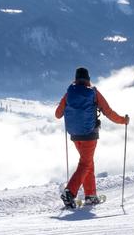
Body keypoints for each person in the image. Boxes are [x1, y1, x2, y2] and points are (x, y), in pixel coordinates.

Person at [55, 67, 129, 208]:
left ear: (75, 79)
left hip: (75, 136)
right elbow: (108, 112)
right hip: (90, 135)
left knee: (87, 162)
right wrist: (123, 121)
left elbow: (58, 114)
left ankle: (90, 196)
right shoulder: (93, 93)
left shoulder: (69, 93)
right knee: (85, 164)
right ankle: (69, 192)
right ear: (88, 79)